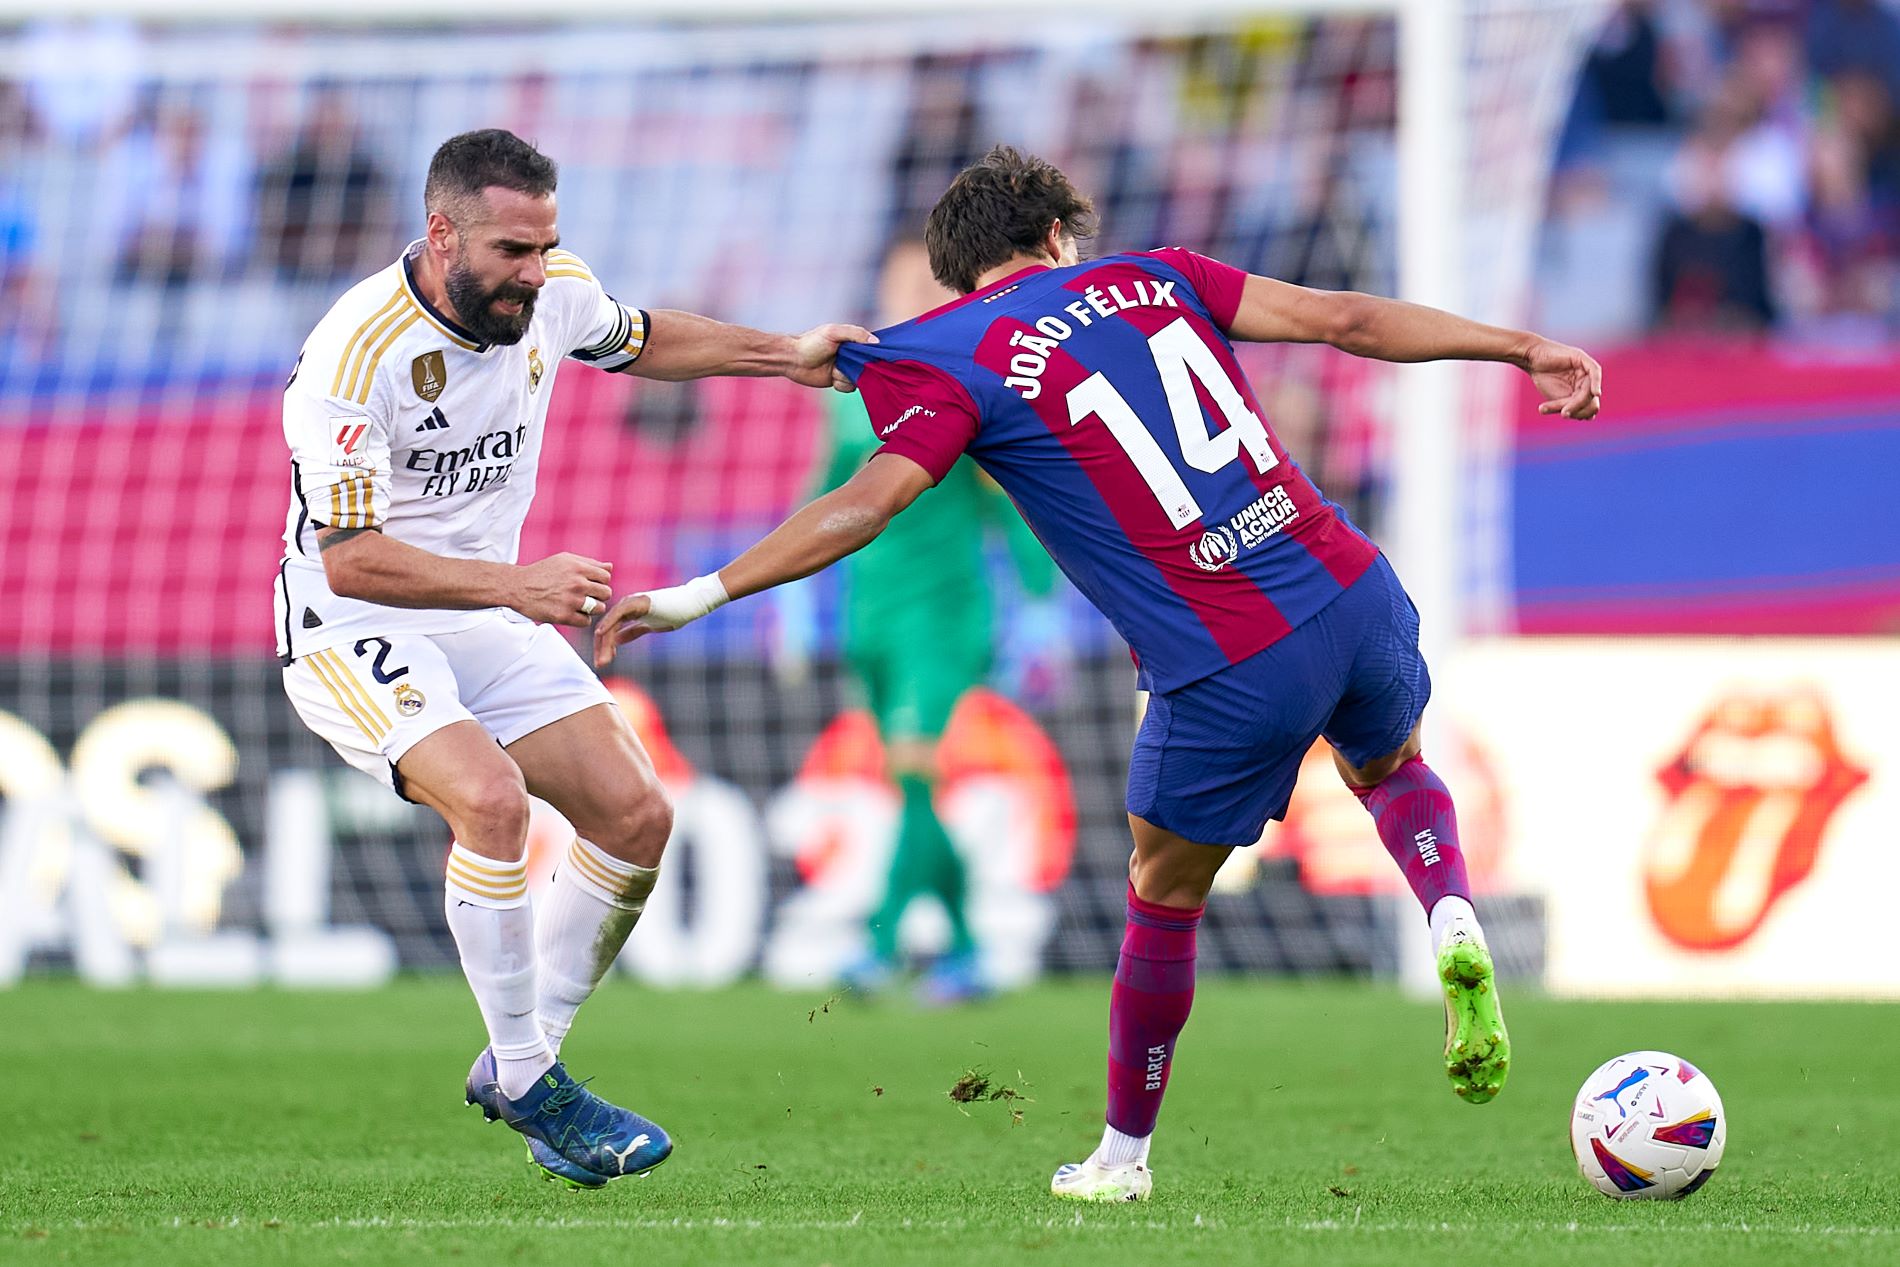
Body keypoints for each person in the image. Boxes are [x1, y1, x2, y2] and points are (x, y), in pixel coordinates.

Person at [591, 144, 1601, 1203]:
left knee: (1162, 898)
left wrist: (698, 593)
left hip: (1227, 657)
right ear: (1059, 237)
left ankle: (1121, 1159)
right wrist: (1518, 344)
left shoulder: (946, 349)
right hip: (1350, 587)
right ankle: (1445, 907)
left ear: (955, 270)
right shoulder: (1159, 274)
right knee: (1391, 765)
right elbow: (1346, 323)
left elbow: (866, 502)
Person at [274, 128, 866, 1190]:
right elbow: (353, 559)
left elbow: (637, 339)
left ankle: (518, 1062)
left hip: (487, 607)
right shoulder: (352, 356)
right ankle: (534, 1078)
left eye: (547, 246)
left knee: (637, 815)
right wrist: (517, 584)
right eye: (511, 251)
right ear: (441, 232)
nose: (534, 273)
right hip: (353, 622)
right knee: (491, 802)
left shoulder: (552, 293)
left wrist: (787, 355)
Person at [809, 239, 1061, 1003]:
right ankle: (966, 948)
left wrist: (1042, 601)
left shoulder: (965, 383)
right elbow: (825, 498)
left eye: (925, 280)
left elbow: (1008, 500)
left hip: (945, 616)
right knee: (908, 781)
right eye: (898, 279)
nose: (910, 291)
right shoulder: (851, 393)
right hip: (871, 618)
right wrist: (790, 599)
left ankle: (885, 940)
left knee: (920, 763)